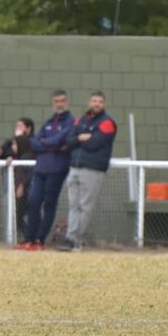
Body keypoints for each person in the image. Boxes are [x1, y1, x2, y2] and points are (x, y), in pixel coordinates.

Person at [59, 91, 117, 252]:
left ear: (103, 104)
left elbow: (95, 144)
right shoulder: (80, 120)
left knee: (85, 206)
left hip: (92, 170)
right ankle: (70, 238)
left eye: (100, 101)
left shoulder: (107, 122)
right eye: (94, 101)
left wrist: (84, 139)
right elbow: (69, 141)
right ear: (89, 102)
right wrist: (80, 138)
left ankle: (77, 240)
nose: (96, 104)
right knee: (73, 205)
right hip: (75, 168)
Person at [17, 90, 74, 251]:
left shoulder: (70, 121)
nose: (59, 104)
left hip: (57, 169)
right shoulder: (49, 122)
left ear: (67, 102)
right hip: (41, 167)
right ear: (52, 103)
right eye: (56, 101)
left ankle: (40, 240)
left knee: (49, 205)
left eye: (62, 101)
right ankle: (29, 239)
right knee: (34, 202)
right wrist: (52, 145)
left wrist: (46, 143)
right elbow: (34, 142)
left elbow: (61, 139)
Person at [0, 118, 35, 242]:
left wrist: (22, 185)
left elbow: (27, 171)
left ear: (28, 128)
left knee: (22, 215)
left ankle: (30, 239)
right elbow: (1, 150)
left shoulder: (32, 146)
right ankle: (24, 240)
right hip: (14, 186)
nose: (17, 128)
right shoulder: (11, 145)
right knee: (17, 216)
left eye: (20, 126)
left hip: (26, 188)